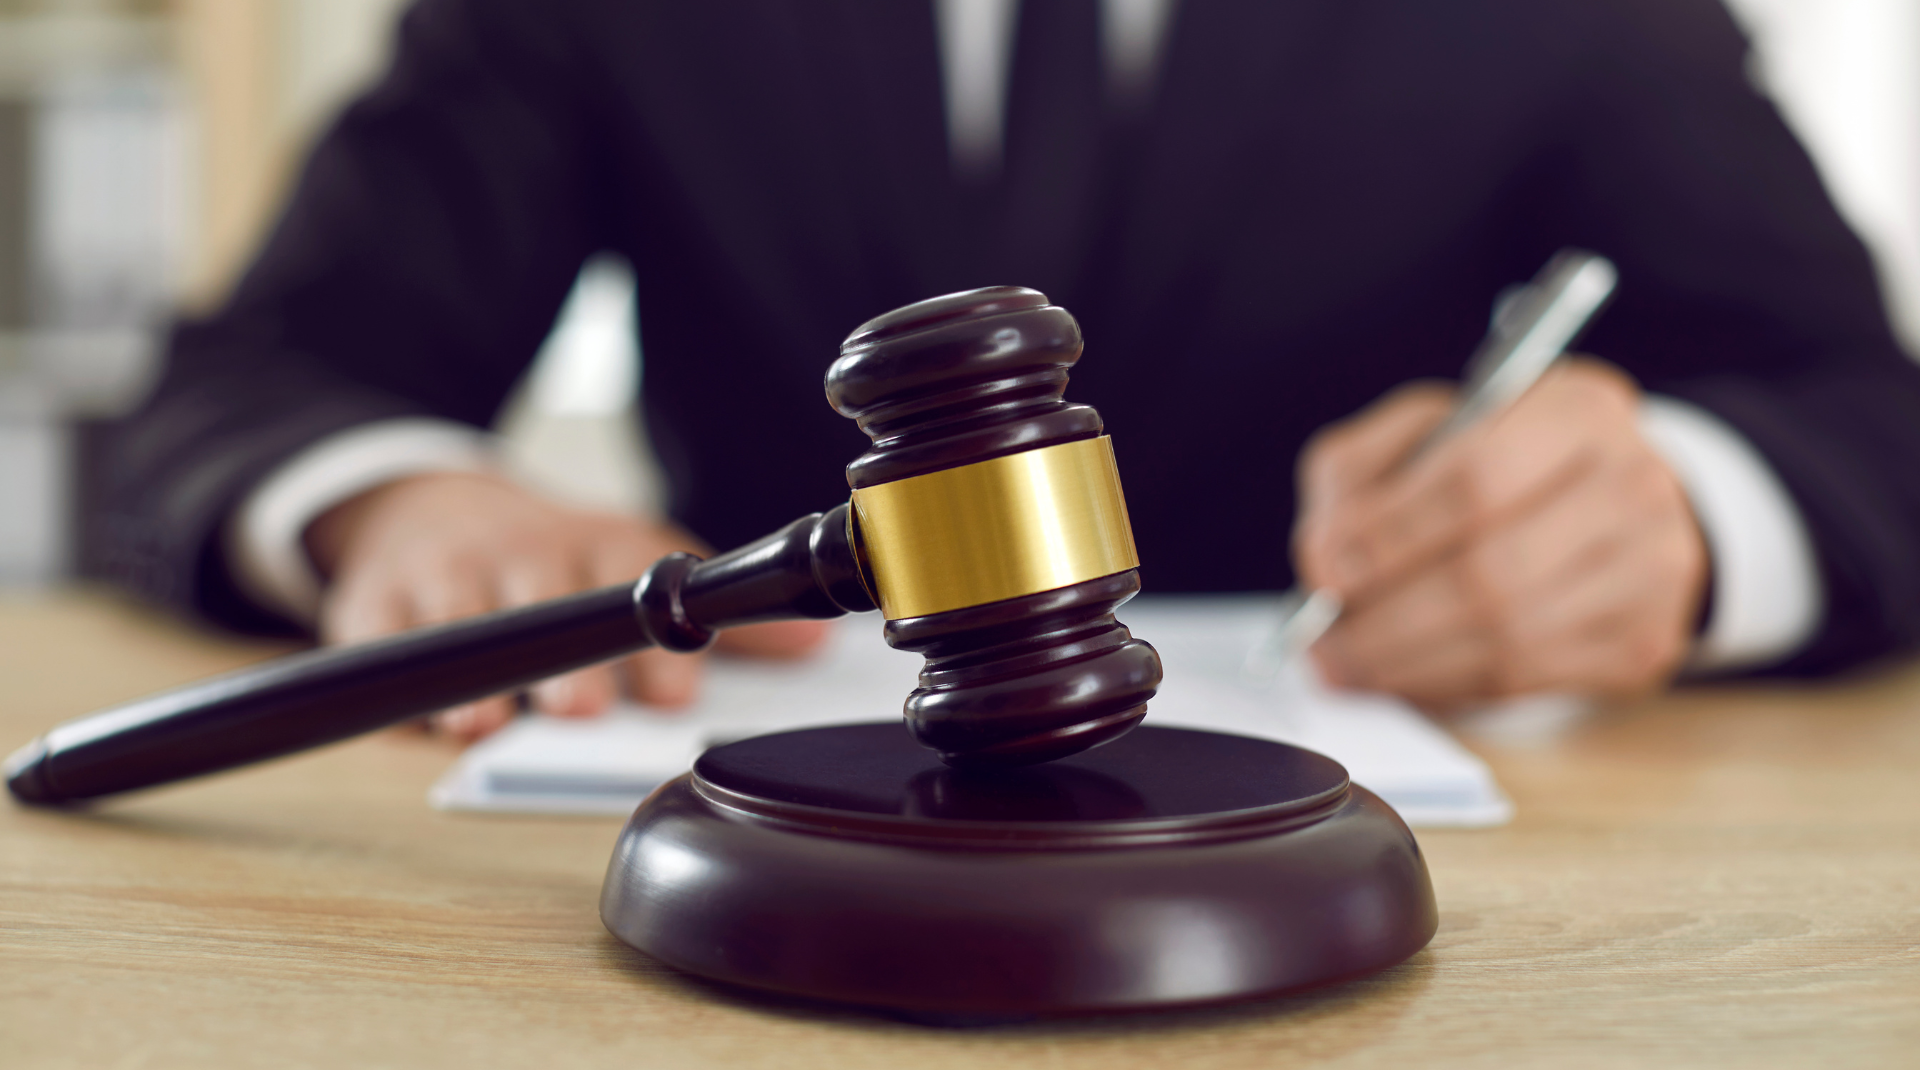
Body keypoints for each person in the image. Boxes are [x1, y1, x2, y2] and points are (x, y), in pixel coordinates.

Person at [93, 0, 1920, 739]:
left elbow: (1865, 411)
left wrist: (1686, 517)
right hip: (751, 880)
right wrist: (399, 501)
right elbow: (235, 389)